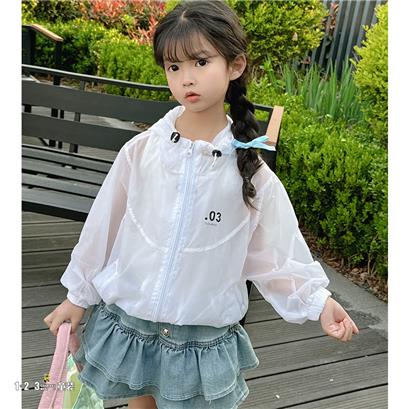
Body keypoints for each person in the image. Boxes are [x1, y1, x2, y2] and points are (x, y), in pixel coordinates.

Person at [43, 1, 359, 408]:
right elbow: (103, 228)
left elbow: (276, 254)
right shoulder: (141, 152)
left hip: (200, 342)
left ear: (235, 65)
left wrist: (319, 302)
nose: (186, 78)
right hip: (130, 326)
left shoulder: (251, 174)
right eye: (174, 67)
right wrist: (77, 296)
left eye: (201, 61)